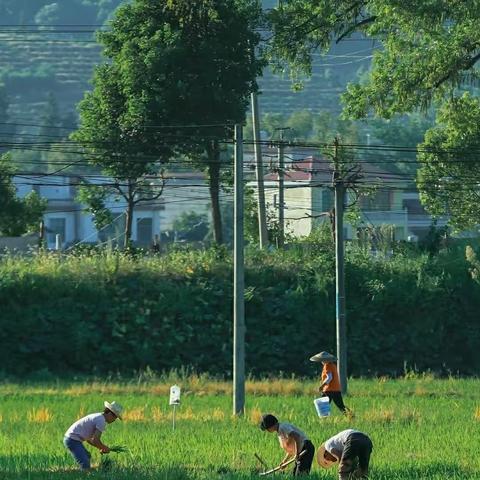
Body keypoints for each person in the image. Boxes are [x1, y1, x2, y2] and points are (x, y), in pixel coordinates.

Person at [63, 401, 123, 470]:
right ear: (109, 413)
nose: (114, 420)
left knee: (87, 456)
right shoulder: (101, 421)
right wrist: (104, 447)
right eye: (115, 417)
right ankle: (85, 476)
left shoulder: (98, 416)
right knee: (84, 463)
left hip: (71, 439)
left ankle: (79, 472)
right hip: (72, 440)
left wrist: (101, 447)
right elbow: (95, 440)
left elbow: (89, 439)